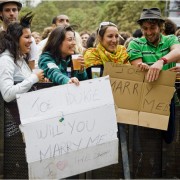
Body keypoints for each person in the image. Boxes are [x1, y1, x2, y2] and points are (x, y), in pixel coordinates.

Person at [127, 7, 180, 144]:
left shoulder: (170, 39)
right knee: (146, 139)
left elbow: (178, 51)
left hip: (167, 97)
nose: (149, 32)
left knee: (168, 138)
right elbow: (136, 65)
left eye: (152, 28)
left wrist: (161, 61)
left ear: (160, 27)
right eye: (145, 28)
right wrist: (142, 67)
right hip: (144, 98)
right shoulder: (135, 43)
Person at [0, 12, 44, 103]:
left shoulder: (19, 58)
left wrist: (38, 79)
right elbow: (7, 94)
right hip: (13, 116)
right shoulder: (6, 60)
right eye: (27, 37)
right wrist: (34, 78)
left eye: (31, 37)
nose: (31, 41)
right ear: (16, 39)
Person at [0, 0, 38, 70]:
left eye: (14, 10)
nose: (11, 13)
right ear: (1, 13)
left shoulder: (29, 40)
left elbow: (31, 68)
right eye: (7, 10)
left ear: (18, 12)